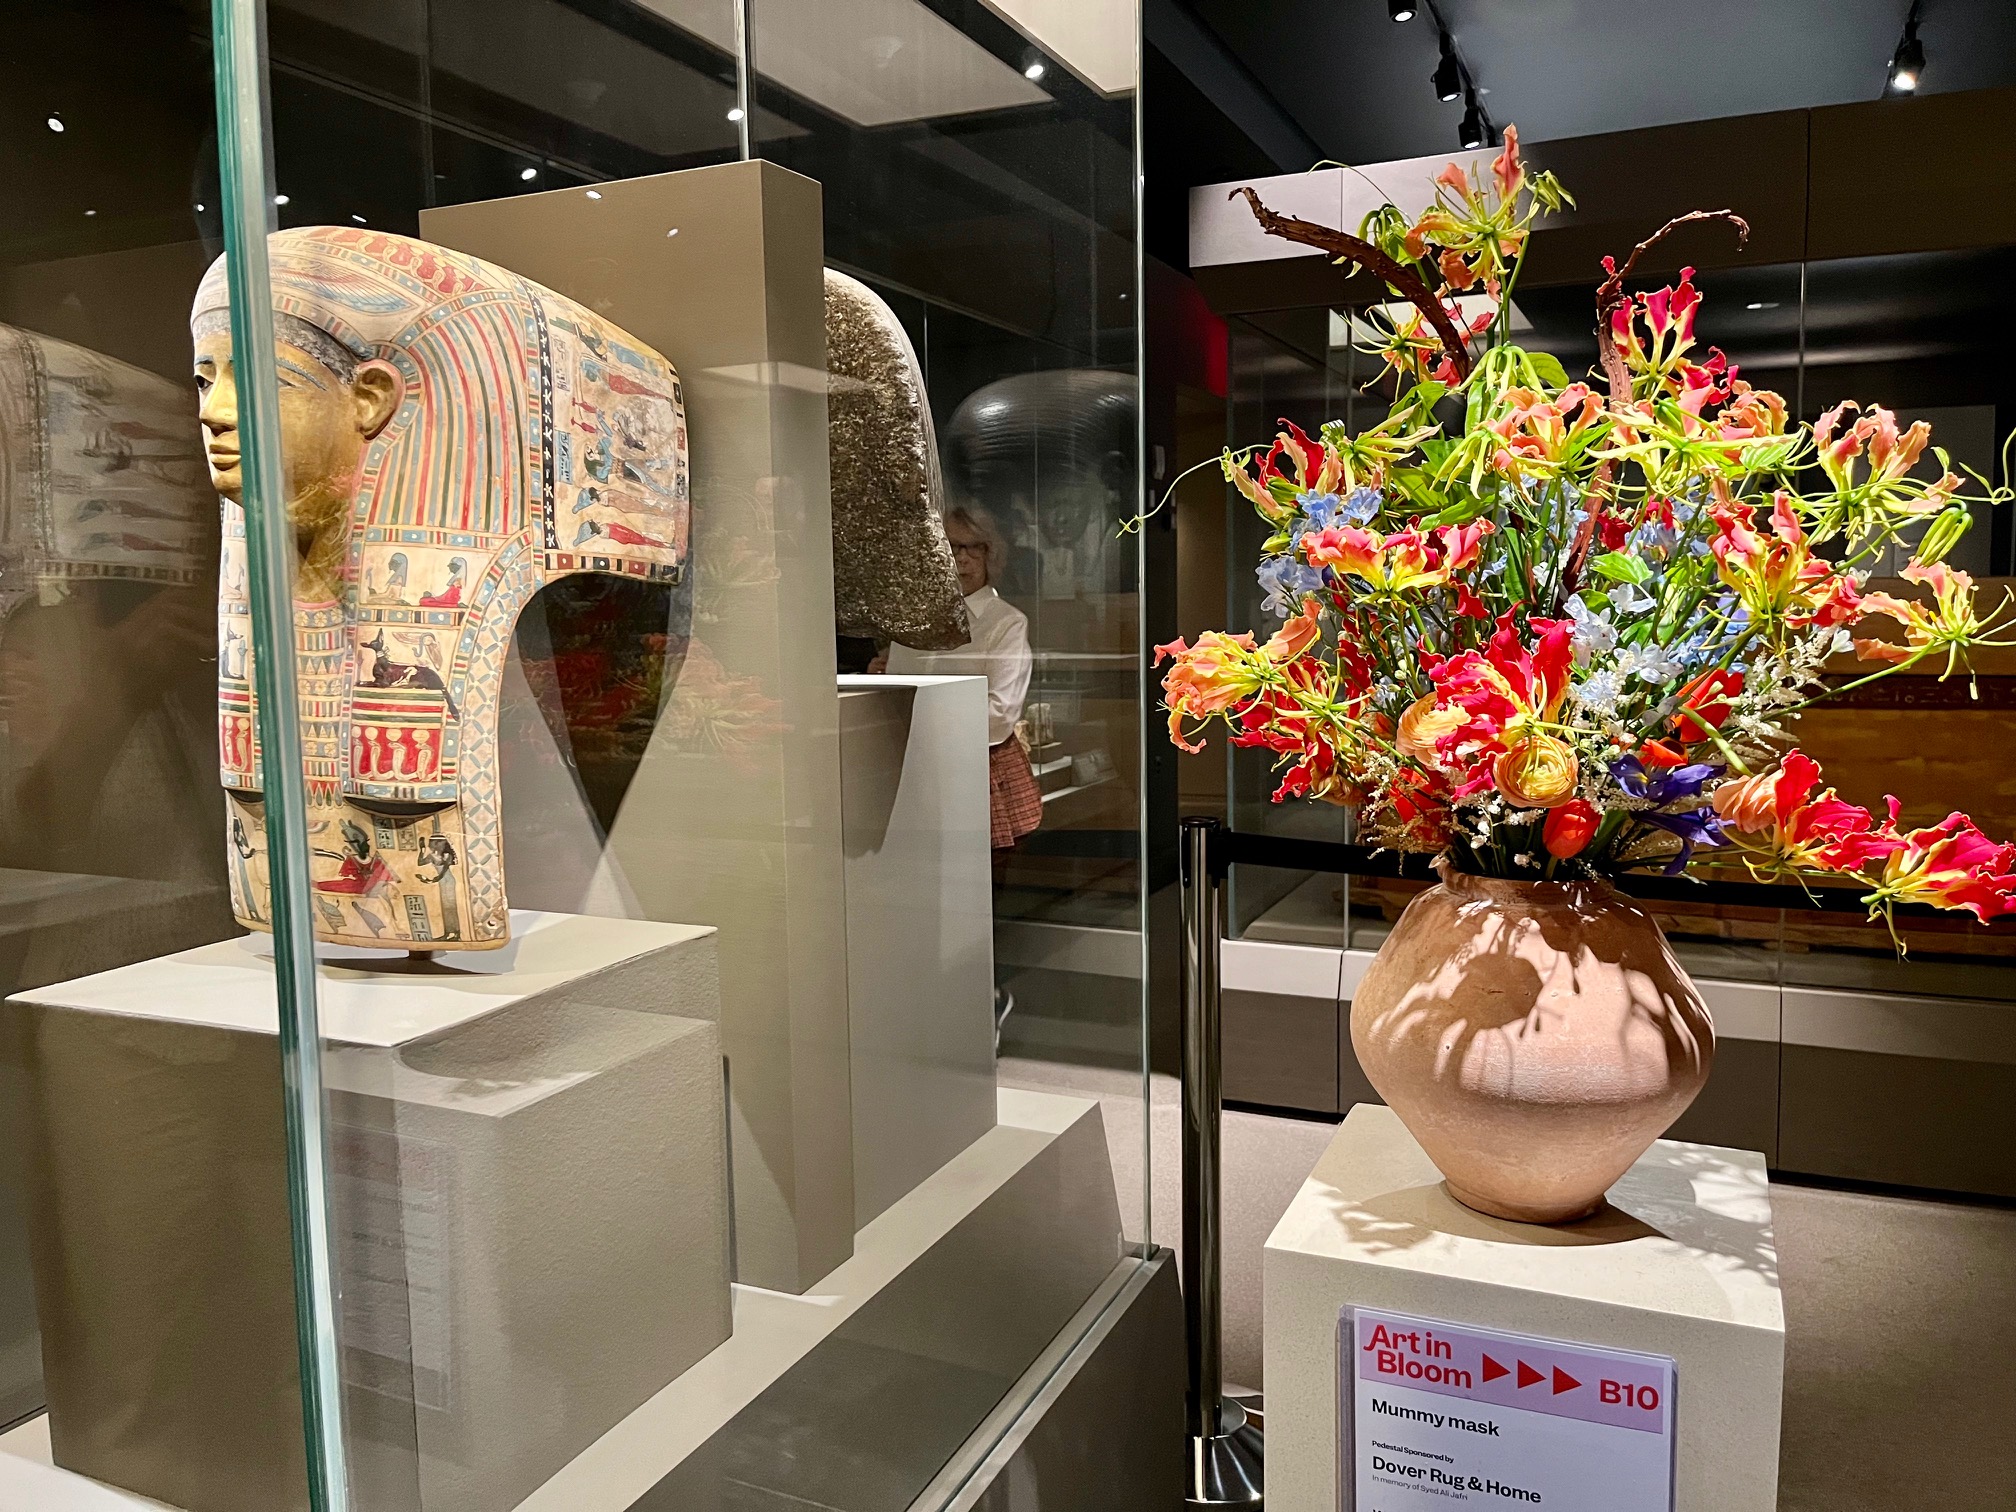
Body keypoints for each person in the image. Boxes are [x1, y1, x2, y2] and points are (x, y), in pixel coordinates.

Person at [879, 504, 1040, 851]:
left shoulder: (1006, 622)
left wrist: (925, 725)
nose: (962, 558)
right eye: (952, 546)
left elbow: (999, 716)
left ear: (990, 553)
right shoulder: (912, 620)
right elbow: (894, 693)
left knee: (982, 875)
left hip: (978, 770)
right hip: (914, 770)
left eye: (973, 547)